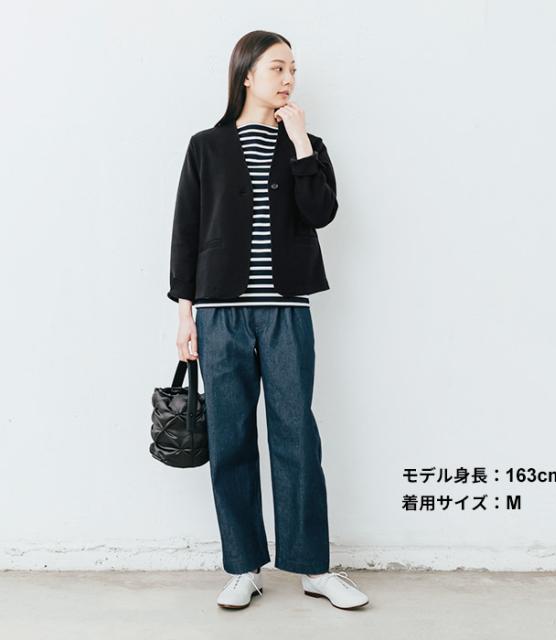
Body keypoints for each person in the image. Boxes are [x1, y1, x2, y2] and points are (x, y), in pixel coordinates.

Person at [167, 30, 369, 611]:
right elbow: (186, 229)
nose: (288, 79)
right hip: (219, 313)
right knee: (231, 438)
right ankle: (243, 567)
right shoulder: (207, 146)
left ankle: (313, 567)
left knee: (296, 434)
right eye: (278, 68)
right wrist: (185, 313)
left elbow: (320, 213)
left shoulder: (307, 144)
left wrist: (301, 143)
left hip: (286, 310)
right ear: (247, 74)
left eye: (293, 69)